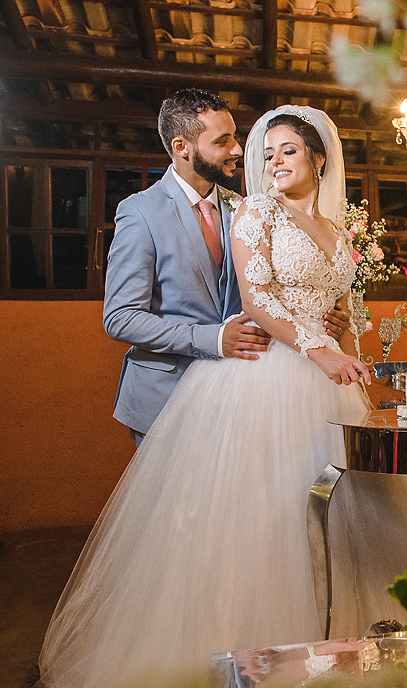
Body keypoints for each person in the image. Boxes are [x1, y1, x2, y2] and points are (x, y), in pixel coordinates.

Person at [16, 106, 407, 688]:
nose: (262, 160)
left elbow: (320, 299)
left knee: (340, 520)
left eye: (285, 152)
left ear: (319, 160)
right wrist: (309, 345)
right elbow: (246, 302)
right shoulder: (223, 211)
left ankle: (336, 665)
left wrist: (336, 330)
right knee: (226, 533)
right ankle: (228, 685)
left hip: (317, 385)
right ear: (182, 145)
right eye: (254, 149)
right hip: (244, 382)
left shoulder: (313, 222)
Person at [102, 89, 350, 444]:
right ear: (181, 147)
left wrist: (325, 315)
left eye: (235, 136)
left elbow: (267, 290)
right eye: (223, 141)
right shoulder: (140, 212)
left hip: (242, 392)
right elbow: (120, 318)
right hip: (165, 394)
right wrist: (214, 339)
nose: (237, 149)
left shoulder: (245, 207)